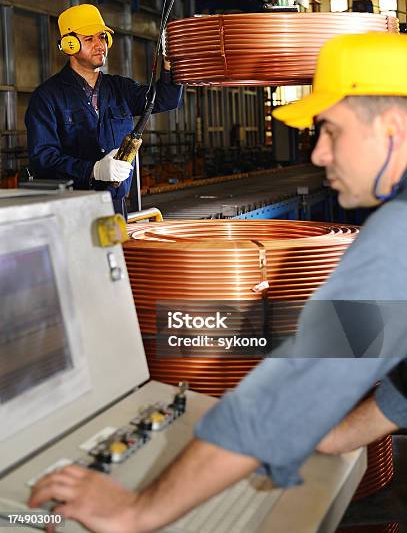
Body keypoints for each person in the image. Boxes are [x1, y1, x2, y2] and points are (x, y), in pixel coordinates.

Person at [29, 32, 407, 532]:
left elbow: (292, 388)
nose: (317, 155)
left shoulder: (398, 236)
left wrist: (138, 511)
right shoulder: (51, 96)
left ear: (391, 128)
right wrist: (337, 434)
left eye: (331, 131)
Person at [25, 4, 182, 217]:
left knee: (115, 252)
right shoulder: (47, 97)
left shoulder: (120, 88)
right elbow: (43, 159)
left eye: (102, 37)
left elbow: (165, 100)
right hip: (71, 211)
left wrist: (171, 66)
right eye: (89, 39)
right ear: (69, 45)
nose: (100, 45)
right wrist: (93, 170)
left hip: (115, 208)